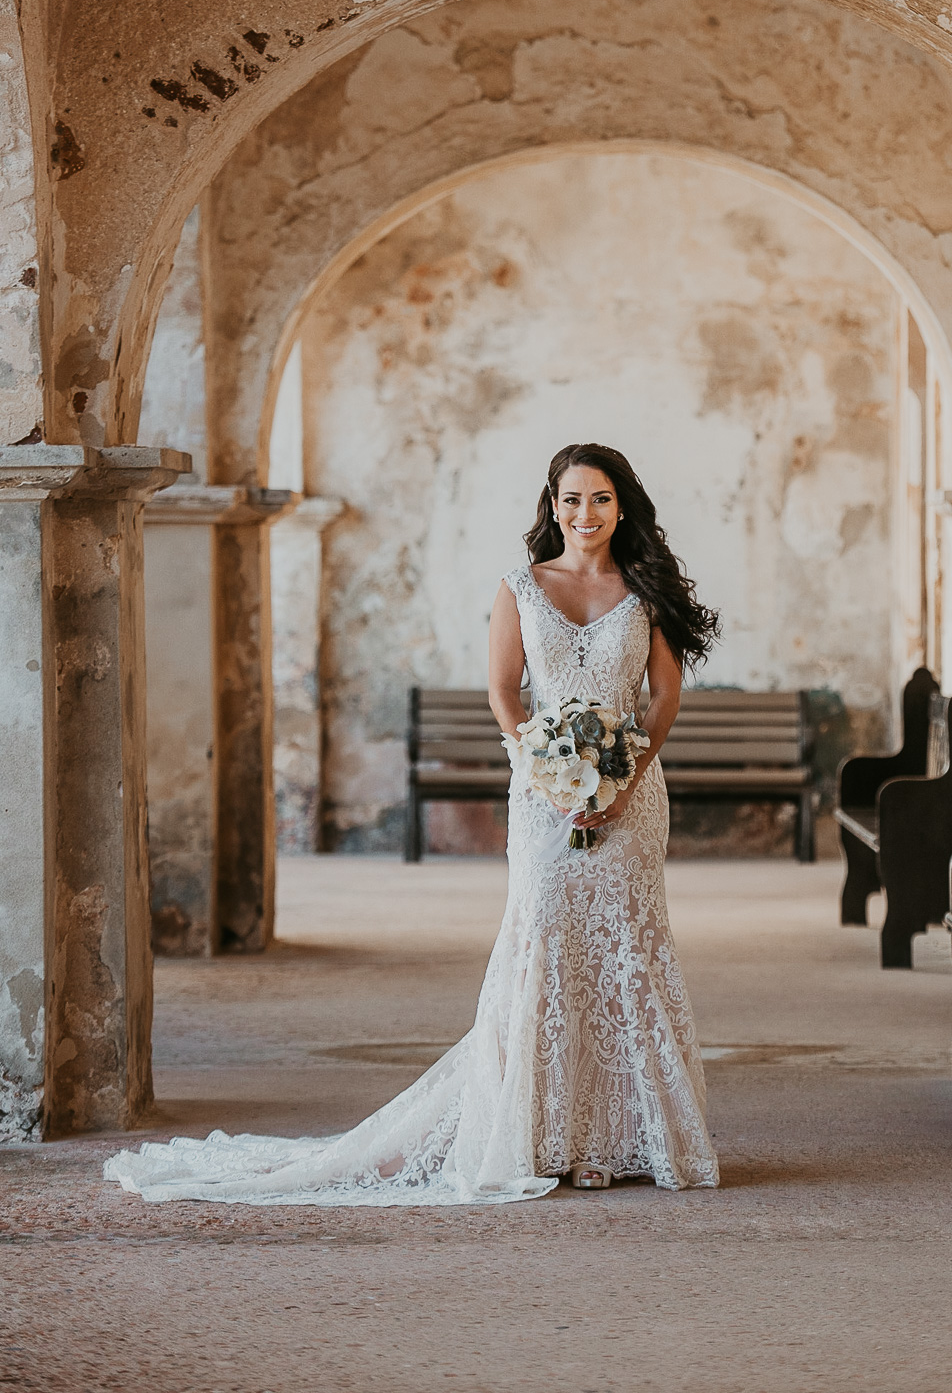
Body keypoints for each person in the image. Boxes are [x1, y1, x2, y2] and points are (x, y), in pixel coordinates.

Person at [104, 443, 721, 1206]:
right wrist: (548, 769)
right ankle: (547, 1135)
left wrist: (622, 778)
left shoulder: (645, 591)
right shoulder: (521, 587)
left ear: (622, 504)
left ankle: (615, 1141)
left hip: (631, 799)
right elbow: (503, 691)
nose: (584, 514)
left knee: (627, 948)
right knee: (548, 943)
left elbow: (661, 699)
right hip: (544, 790)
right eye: (570, 499)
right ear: (551, 505)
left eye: (599, 499)